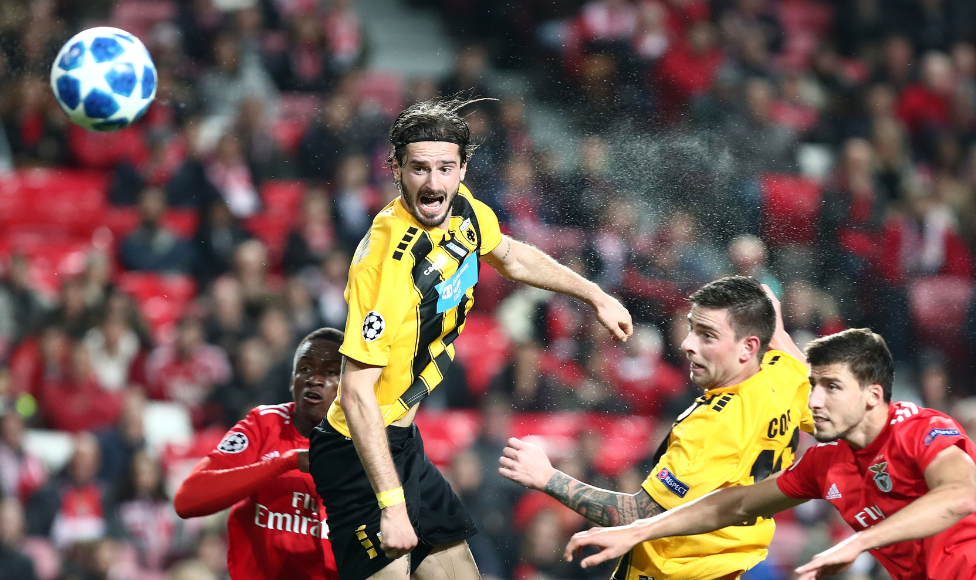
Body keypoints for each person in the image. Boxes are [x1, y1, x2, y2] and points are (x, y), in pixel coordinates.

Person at [307, 96, 633, 580]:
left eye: (445, 168)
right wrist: (391, 506)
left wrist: (594, 294)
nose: (433, 183)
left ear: (463, 169)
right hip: (358, 453)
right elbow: (356, 394)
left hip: (403, 443)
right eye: (419, 169)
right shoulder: (384, 265)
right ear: (396, 170)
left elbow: (511, 256)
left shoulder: (464, 212)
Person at [564, 328, 976, 580]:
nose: (814, 401)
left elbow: (961, 494)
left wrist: (859, 542)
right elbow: (735, 504)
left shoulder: (920, 429)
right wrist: (638, 531)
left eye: (831, 387)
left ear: (872, 396)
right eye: (813, 386)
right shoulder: (825, 463)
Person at [500, 276, 814, 580]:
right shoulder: (786, 374)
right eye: (692, 328)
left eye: (707, 336)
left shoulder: (711, 426)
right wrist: (778, 331)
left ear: (748, 347)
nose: (688, 344)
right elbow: (799, 369)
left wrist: (548, 478)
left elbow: (639, 515)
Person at [174, 328, 344, 580]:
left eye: (330, 372)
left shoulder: (369, 443)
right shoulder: (263, 425)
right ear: (292, 381)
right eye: (305, 369)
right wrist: (284, 462)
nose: (314, 380)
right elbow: (187, 500)